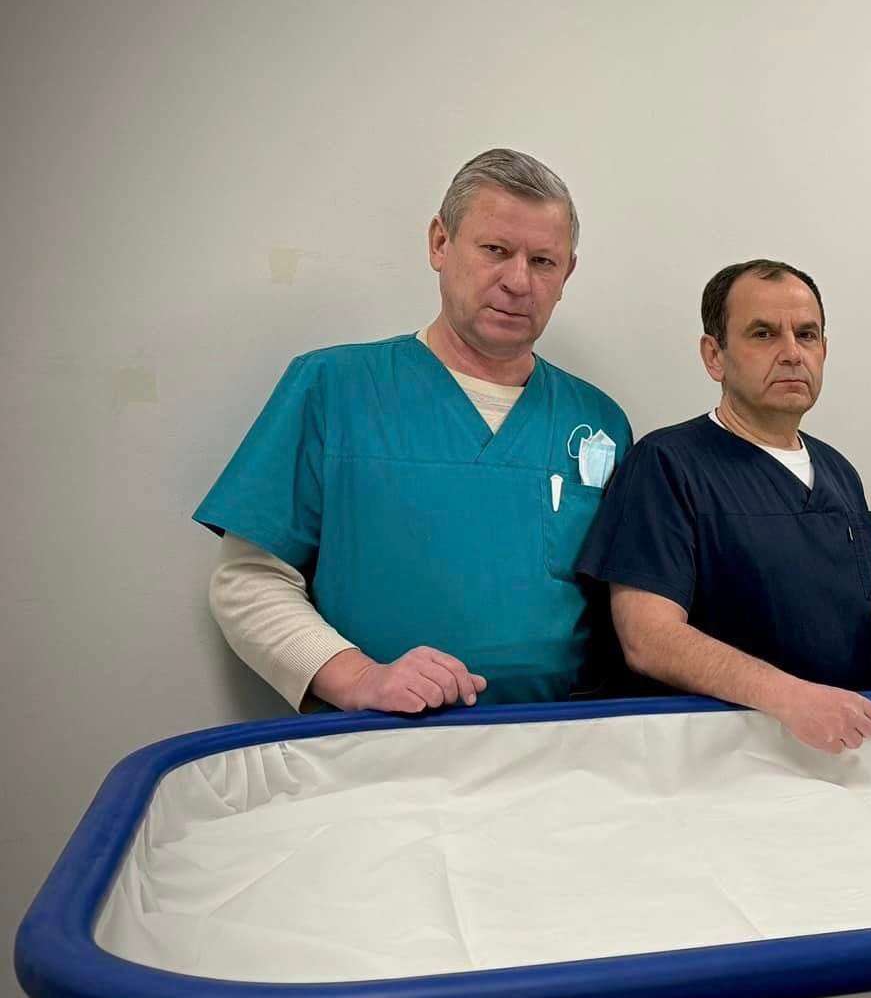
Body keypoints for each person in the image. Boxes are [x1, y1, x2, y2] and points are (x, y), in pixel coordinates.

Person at [195, 148, 631, 712]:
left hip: (557, 737)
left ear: (566, 273)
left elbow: (627, 605)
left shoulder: (598, 421)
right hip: (383, 738)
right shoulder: (335, 388)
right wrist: (358, 679)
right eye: (495, 251)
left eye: (543, 261)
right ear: (440, 243)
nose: (518, 281)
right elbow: (248, 580)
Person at [576, 259, 871, 753]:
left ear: (824, 351)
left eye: (806, 335)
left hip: (839, 750)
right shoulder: (666, 465)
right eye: (764, 334)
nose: (792, 353)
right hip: (715, 756)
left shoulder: (841, 474)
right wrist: (790, 698)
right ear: (714, 356)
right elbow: (647, 639)